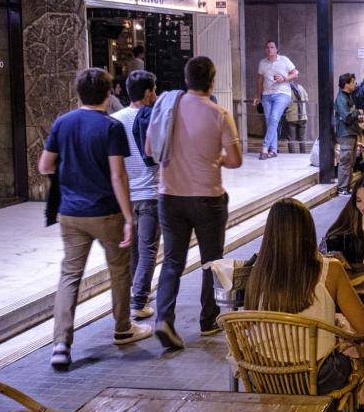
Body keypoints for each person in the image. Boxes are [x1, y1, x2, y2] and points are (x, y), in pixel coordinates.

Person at [38, 68, 152, 368]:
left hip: (70, 214)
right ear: (109, 93)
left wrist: (71, 172)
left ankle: (61, 344)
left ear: (79, 93)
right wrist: (129, 216)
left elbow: (44, 166)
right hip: (106, 213)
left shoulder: (62, 122)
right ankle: (123, 328)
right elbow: (118, 175)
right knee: (119, 270)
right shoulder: (110, 126)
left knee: (70, 276)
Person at [148, 56, 243, 350]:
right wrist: (217, 159)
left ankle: (164, 318)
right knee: (210, 260)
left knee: (172, 260)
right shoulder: (219, 114)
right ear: (212, 81)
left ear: (186, 79)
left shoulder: (165, 109)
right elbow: (236, 160)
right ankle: (208, 320)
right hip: (207, 197)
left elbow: (151, 150)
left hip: (169, 196)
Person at [244, 198, 364, 394]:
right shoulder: (331, 270)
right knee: (355, 350)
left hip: (267, 376)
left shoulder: (258, 273)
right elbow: (363, 325)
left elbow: (248, 323)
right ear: (308, 231)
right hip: (317, 377)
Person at [111, 70, 160, 320]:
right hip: (150, 194)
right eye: (155, 90)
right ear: (148, 92)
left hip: (125, 196)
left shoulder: (115, 120)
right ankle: (139, 301)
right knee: (148, 249)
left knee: (134, 250)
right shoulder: (154, 118)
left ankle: (136, 292)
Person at [253, 40, 299, 159]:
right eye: (267, 47)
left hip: (282, 93)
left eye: (272, 47)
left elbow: (295, 74)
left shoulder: (284, 60)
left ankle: (264, 148)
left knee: (274, 118)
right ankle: (273, 150)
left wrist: (284, 78)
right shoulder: (262, 63)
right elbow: (259, 80)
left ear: (276, 49)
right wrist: (258, 96)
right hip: (267, 95)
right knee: (270, 122)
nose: (270, 49)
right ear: (265, 49)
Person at [334, 73, 361, 196]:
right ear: (346, 84)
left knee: (351, 161)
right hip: (345, 133)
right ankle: (342, 188)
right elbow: (347, 117)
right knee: (345, 161)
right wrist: (357, 112)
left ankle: (347, 187)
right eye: (353, 82)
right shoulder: (341, 98)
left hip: (351, 132)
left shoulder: (348, 96)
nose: (354, 84)